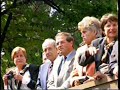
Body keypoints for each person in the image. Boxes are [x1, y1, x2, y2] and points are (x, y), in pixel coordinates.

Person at [78, 13, 118, 80]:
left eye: (114, 25)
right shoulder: (96, 43)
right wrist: (88, 52)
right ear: (103, 31)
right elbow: (81, 62)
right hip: (102, 82)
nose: (112, 28)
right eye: (108, 26)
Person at [70, 16, 102, 86]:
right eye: (81, 33)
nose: (82, 35)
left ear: (95, 32)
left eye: (84, 32)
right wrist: (75, 81)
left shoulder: (104, 45)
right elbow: (73, 74)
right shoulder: (79, 50)